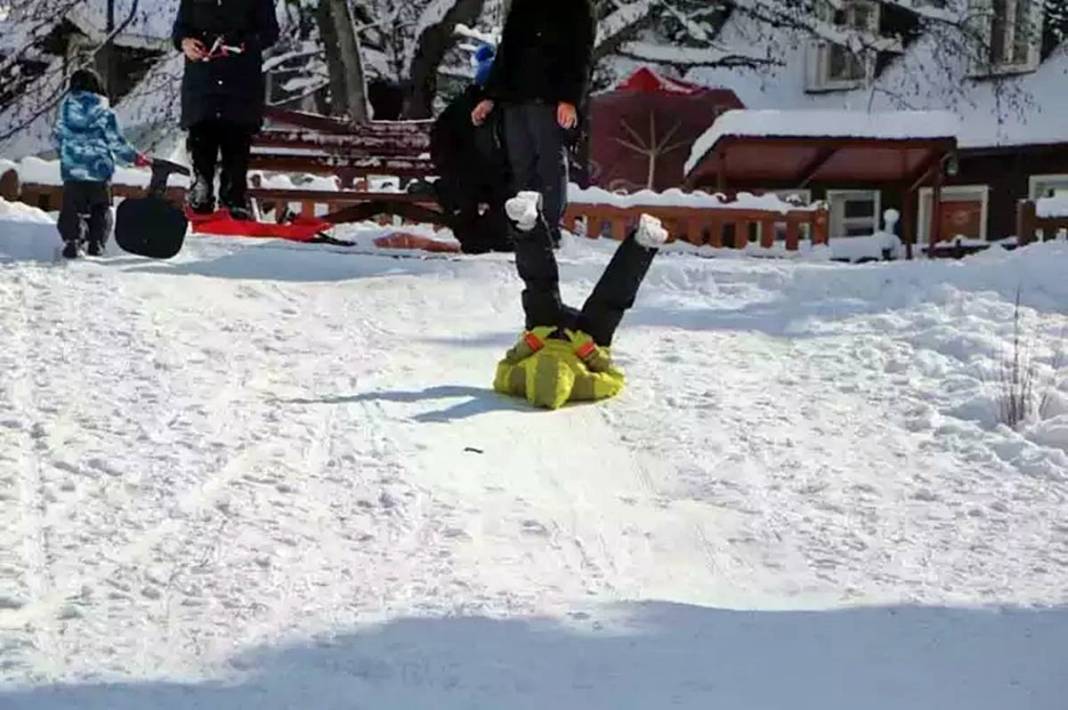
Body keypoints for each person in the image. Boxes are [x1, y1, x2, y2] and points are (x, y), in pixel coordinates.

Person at [493, 192, 668, 410]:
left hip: (545, 331)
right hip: (587, 339)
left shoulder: (517, 381)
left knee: (539, 287)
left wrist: (529, 345)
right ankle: (643, 245)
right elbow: (615, 379)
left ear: (532, 373)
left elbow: (504, 369)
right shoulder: (582, 385)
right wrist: (589, 352)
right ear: (568, 381)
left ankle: (527, 224)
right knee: (609, 301)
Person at [473, 0, 596, 247]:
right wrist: (490, 96)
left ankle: (549, 230)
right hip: (515, 97)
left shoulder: (577, 6)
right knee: (520, 165)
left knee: (549, 163)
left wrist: (569, 99)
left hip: (550, 97)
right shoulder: (522, 6)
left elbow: (580, 54)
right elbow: (507, 51)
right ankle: (524, 230)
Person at [172, 0, 280, 220]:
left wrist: (243, 43)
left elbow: (269, 32)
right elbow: (180, 29)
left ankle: (233, 205)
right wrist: (185, 42)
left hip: (240, 86)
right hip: (202, 85)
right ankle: (200, 199)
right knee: (201, 146)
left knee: (236, 150)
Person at [53, 68, 149, 259]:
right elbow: (116, 142)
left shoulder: (64, 111)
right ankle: (96, 242)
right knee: (100, 208)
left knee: (71, 208)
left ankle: (72, 239)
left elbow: (57, 137)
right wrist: (134, 158)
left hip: (73, 170)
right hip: (99, 171)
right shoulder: (104, 112)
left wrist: (67, 155)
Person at [431, 43, 513, 254]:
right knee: (461, 196)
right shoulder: (462, 108)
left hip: (494, 176)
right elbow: (441, 142)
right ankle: (480, 238)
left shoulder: (507, 109)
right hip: (468, 174)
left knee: (507, 198)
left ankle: (485, 237)